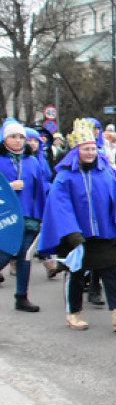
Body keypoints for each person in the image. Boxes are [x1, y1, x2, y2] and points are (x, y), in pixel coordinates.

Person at [39, 123, 116, 332]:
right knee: (76, 274)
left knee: (112, 274)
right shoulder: (64, 177)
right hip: (78, 235)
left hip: (106, 233)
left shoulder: (105, 173)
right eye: (85, 149)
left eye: (93, 149)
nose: (90, 153)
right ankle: (73, 314)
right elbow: (60, 206)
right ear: (76, 151)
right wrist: (72, 233)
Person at [0, 119, 48, 312]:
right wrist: (8, 188)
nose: (19, 141)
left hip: (29, 216)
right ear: (4, 139)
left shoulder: (32, 161)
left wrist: (42, 217)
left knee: (24, 257)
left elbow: (40, 189)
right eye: (13, 137)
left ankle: (22, 297)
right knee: (5, 254)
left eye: (22, 137)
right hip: (5, 216)